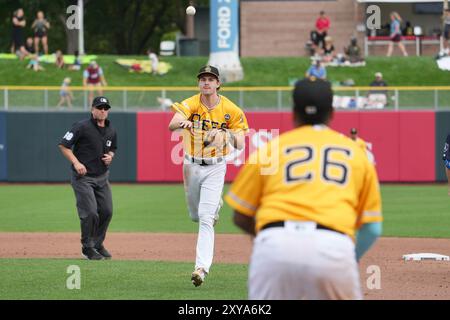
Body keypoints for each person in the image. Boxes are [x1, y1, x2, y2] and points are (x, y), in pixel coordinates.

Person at [225, 78, 382, 300]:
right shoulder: (356, 153)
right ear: (332, 113)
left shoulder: (271, 149)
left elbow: (240, 215)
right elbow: (372, 229)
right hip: (333, 246)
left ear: (294, 113)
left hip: (275, 244)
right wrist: (349, 256)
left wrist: (268, 239)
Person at [168, 65, 249, 287]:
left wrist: (226, 132)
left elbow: (240, 144)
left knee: (205, 218)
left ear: (218, 83)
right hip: (191, 165)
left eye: (211, 79)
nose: (206, 82)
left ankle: (201, 268)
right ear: (199, 83)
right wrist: (182, 122)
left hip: (215, 166)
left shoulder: (231, 109)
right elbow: (172, 124)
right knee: (195, 215)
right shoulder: (192, 103)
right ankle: (215, 205)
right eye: (203, 79)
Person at [58, 96, 117, 260]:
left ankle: (97, 244)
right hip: (83, 178)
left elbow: (113, 148)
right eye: (100, 108)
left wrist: (111, 156)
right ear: (92, 109)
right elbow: (63, 145)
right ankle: (87, 247)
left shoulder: (111, 129)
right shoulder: (81, 126)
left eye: (106, 108)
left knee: (106, 211)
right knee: (90, 213)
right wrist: (76, 162)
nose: (103, 111)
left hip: (102, 177)